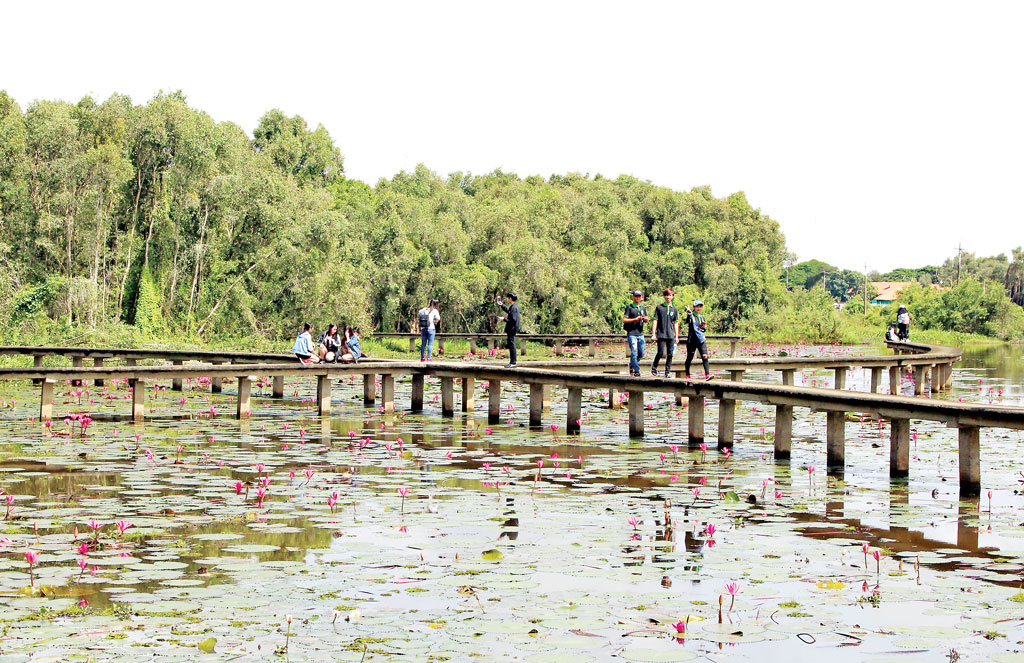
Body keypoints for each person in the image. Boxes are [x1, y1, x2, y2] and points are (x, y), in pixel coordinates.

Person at [650, 287, 679, 377]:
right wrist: (653, 333)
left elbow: (676, 323)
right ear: (664, 296)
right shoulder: (659, 307)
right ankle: (654, 367)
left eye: (670, 295)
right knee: (660, 352)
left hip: (670, 334)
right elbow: (655, 320)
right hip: (661, 333)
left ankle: (667, 372)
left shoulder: (674, 309)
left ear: (672, 296)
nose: (668, 297)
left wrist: (677, 336)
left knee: (670, 354)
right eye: (666, 295)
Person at [623, 289, 648, 377]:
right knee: (634, 351)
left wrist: (645, 319)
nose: (638, 298)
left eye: (639, 296)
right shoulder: (630, 308)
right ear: (633, 297)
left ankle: (632, 365)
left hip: (640, 333)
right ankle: (636, 370)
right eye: (636, 296)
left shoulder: (642, 308)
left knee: (641, 353)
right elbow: (624, 319)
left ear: (641, 297)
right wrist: (635, 319)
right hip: (632, 333)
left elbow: (647, 318)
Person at [684, 300, 712, 380]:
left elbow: (702, 329)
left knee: (705, 356)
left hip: (701, 339)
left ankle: (707, 374)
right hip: (692, 340)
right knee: (690, 357)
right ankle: (687, 374)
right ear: (694, 307)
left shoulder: (702, 317)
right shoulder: (691, 315)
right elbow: (688, 320)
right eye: (697, 307)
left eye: (700, 307)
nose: (699, 308)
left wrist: (703, 327)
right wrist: (689, 313)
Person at [497, 292, 521, 368]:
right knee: (511, 344)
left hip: (512, 329)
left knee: (512, 345)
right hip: (512, 329)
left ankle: (513, 363)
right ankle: (512, 362)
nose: (507, 299)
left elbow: (513, 320)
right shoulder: (514, 306)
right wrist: (502, 305)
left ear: (510, 298)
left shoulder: (514, 307)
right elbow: (509, 312)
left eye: (507, 298)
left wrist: (504, 319)